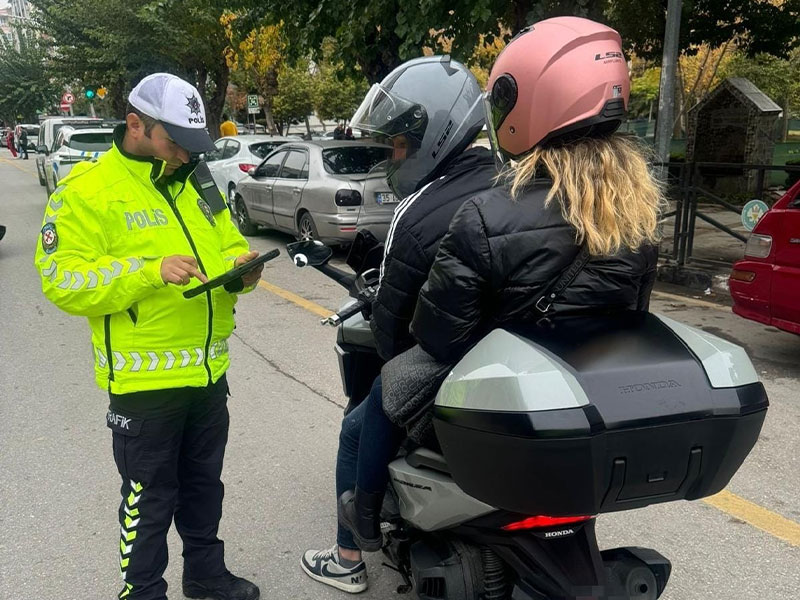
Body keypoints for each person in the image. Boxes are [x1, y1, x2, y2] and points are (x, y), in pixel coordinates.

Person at [335, 15, 664, 561]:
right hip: (584, 389)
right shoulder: (641, 215)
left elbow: (438, 337)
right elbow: (634, 314)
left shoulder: (486, 214)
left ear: (528, 101)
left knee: (383, 392)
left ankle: (363, 522)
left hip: (498, 387)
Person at [34, 73, 262, 600]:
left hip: (208, 373)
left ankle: (206, 575)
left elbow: (228, 243)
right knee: (149, 498)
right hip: (145, 385)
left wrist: (243, 269)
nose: (185, 153)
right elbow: (61, 280)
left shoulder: (197, 180)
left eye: (192, 143)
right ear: (135, 124)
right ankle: (142, 592)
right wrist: (148, 271)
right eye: (174, 141)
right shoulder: (85, 193)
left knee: (205, 488)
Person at [300, 55, 493, 594]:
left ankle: (348, 553)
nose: (394, 156)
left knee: (356, 428)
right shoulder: (510, 180)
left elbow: (391, 333)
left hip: (445, 363)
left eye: (400, 145)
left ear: (435, 133)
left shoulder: (422, 205)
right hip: (507, 359)